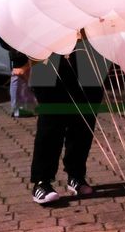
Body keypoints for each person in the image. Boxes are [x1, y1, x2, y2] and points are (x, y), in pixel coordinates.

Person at [29, 32, 104, 205]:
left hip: (87, 58)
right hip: (46, 60)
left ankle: (76, 176)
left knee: (84, 123)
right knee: (51, 124)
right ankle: (42, 182)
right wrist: (17, 59)